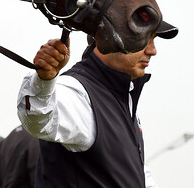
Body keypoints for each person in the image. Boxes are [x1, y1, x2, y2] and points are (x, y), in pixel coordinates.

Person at [17, 21, 179, 187]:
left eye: (153, 40)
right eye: (144, 39)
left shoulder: (123, 95)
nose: (153, 50)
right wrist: (44, 80)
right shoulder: (78, 90)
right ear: (108, 38)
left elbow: (135, 171)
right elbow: (38, 118)